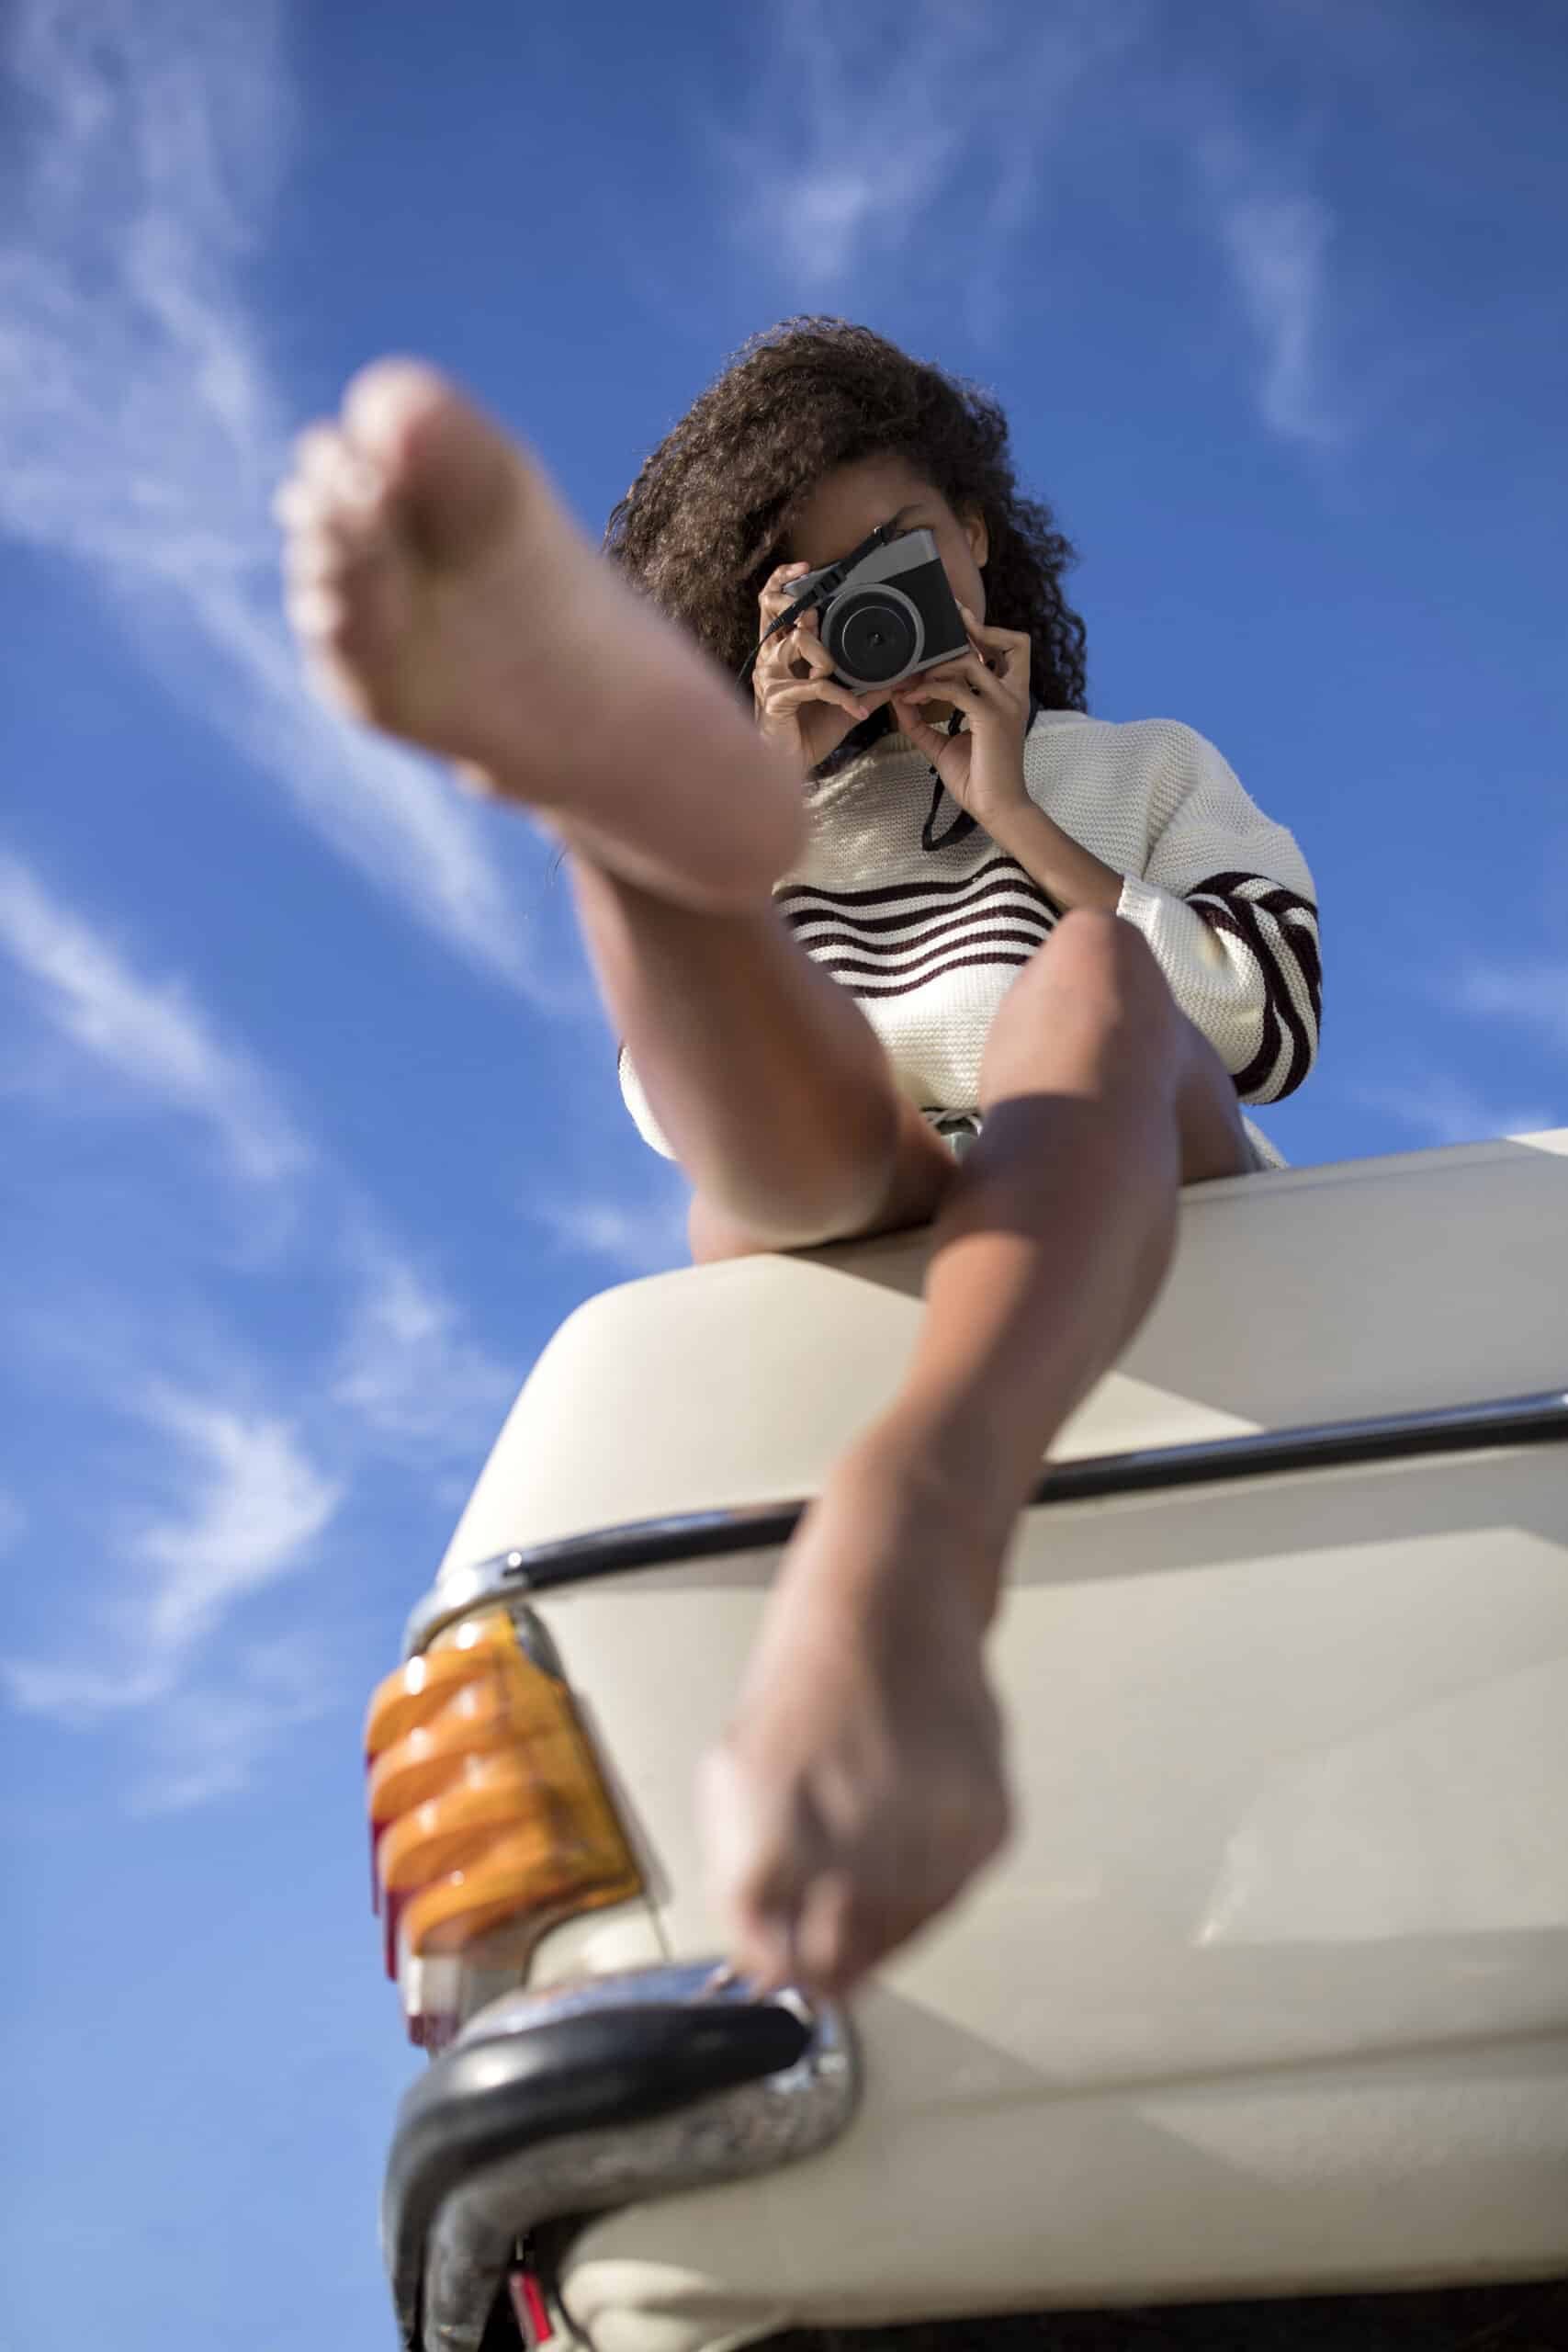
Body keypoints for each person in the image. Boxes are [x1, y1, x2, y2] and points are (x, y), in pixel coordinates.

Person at [276, 317, 1320, 2006]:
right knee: (787, 1150)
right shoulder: (785, 817)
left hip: (1148, 1184)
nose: (870, 613)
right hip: (864, 1208)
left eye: (893, 560)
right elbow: (674, 1106)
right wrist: (764, 783)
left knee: (1090, 984)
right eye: (809, 593)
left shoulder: (1132, 773)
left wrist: (1017, 818)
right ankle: (633, 840)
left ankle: (912, 1506)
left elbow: (1263, 1020)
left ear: (977, 533)